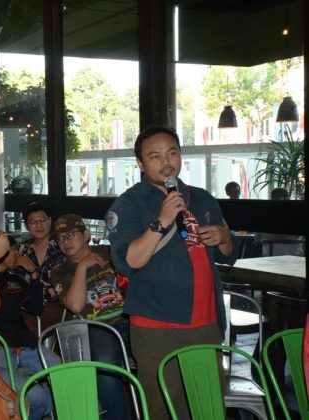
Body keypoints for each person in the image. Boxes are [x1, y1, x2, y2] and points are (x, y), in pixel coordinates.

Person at [105, 125, 236, 419]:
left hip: (206, 322)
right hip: (157, 325)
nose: (166, 162)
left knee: (207, 408)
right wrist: (162, 220)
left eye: (172, 153)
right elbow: (128, 261)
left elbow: (228, 254)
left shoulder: (201, 198)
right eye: (155, 156)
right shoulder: (128, 204)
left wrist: (224, 238)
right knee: (162, 408)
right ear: (140, 164)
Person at [49, 214, 130, 420]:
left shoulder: (108, 252)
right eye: (60, 238)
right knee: (105, 368)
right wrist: (83, 266)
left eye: (70, 235)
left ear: (86, 234)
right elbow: (75, 305)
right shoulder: (59, 273)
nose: (65, 242)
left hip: (132, 319)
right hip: (99, 328)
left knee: (156, 357)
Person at [0, 235, 60, 420]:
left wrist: (34, 275)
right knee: (5, 395)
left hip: (25, 344)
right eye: (14, 250)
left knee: (62, 373)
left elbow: (36, 309)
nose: (18, 255)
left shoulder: (16, 281)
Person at [19, 202, 66, 331]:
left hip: (58, 304)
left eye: (43, 220)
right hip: (28, 305)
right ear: (26, 226)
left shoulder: (63, 245)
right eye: (33, 222)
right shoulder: (21, 250)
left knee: (28, 326)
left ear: (50, 221)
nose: (39, 225)